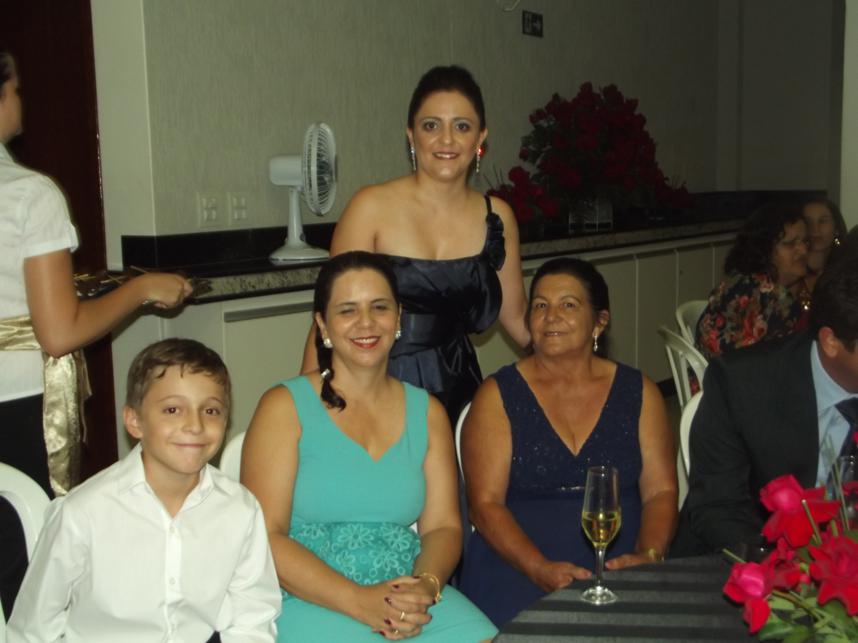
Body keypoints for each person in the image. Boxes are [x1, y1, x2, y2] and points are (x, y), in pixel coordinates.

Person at [244, 251, 497, 642]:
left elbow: (443, 527)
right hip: (311, 597)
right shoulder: (283, 407)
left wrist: (425, 586)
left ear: (398, 318)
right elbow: (265, 536)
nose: (366, 322)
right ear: (322, 325)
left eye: (379, 307)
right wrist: (359, 601)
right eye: (348, 310)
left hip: (409, 595)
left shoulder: (427, 412)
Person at [0, 51, 192, 497]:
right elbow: (59, 333)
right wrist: (141, 288)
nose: (20, 100)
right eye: (16, 89)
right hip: (14, 401)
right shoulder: (28, 194)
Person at [7, 338, 282, 642]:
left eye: (211, 410)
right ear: (134, 421)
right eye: (173, 409)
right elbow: (32, 629)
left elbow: (252, 617)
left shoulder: (239, 508)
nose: (195, 425)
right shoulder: (83, 513)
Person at [301, 65, 529, 425]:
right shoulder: (369, 207)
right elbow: (329, 319)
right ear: (411, 135)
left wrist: (576, 362)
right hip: (373, 386)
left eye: (462, 126)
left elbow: (517, 320)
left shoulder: (497, 217)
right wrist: (308, 413)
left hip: (459, 393)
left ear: (481, 137)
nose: (446, 140)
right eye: (431, 125)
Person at [458, 257, 678, 626]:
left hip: (620, 553)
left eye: (569, 305)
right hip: (516, 559)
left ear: (600, 322)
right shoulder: (497, 395)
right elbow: (485, 505)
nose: (551, 316)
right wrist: (537, 567)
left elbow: (661, 492)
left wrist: (649, 556)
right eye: (540, 305)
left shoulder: (639, 391)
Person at [672, 255, 858, 556]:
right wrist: (792, 569)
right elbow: (718, 508)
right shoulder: (742, 385)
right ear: (831, 342)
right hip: (753, 559)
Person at [696, 203, 810, 361]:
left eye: (805, 241)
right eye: (790, 243)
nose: (803, 250)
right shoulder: (774, 299)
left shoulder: (738, 279)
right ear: (765, 249)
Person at [802, 197, 847, 290]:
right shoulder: (790, 271)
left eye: (823, 221)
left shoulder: (845, 270)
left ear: (836, 228)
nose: (815, 228)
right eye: (808, 222)